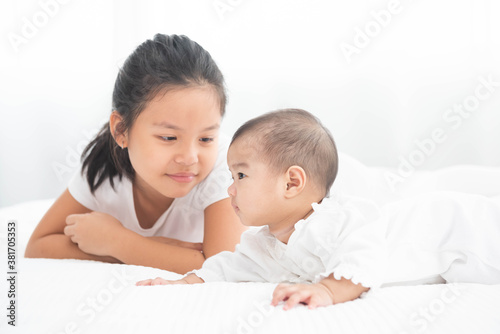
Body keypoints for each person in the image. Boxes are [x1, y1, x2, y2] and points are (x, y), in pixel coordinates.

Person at [137, 108, 500, 310]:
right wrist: (185, 282)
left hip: (459, 230)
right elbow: (229, 266)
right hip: (451, 258)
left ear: (292, 183)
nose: (230, 188)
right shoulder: (265, 243)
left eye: (242, 175)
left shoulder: (336, 221)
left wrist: (327, 290)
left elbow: (365, 256)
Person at [25, 34, 247, 274]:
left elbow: (223, 268)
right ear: (121, 130)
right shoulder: (103, 167)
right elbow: (38, 246)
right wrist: (143, 250)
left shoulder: (225, 166)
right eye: (168, 138)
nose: (190, 157)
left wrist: (119, 242)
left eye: (206, 139)